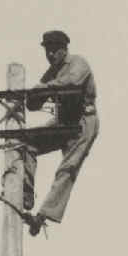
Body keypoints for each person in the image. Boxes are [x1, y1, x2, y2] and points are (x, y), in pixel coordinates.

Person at [22, 30, 98, 236]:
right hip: (63, 122)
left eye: (54, 50)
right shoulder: (52, 72)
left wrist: (43, 88)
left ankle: (43, 215)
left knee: (67, 169)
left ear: (64, 49)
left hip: (83, 122)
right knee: (26, 142)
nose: (50, 54)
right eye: (47, 50)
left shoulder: (78, 63)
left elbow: (71, 83)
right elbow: (35, 103)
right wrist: (32, 96)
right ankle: (26, 192)